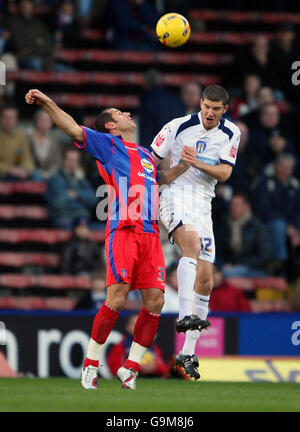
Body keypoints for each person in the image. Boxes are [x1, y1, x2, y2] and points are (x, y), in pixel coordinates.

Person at [25, 87, 187, 390]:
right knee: (117, 296)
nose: (127, 113)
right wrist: (47, 102)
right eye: (119, 113)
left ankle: (130, 368)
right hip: (124, 230)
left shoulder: (145, 154)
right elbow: (71, 127)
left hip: (150, 233)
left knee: (156, 301)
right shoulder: (108, 145)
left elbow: (156, 180)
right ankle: (89, 365)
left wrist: (183, 166)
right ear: (111, 125)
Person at [150, 85, 241, 379]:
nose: (210, 113)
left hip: (203, 202)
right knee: (190, 245)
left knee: (206, 280)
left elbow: (226, 173)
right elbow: (149, 162)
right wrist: (167, 176)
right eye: (206, 106)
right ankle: (186, 315)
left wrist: (195, 162)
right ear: (200, 104)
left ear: (225, 109)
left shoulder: (232, 133)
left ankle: (187, 353)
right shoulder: (177, 127)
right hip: (175, 194)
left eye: (216, 108)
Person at [251, 153, 300, 273]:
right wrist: (288, 227)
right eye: (282, 166)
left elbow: (297, 211)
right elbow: (263, 210)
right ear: (275, 167)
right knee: (279, 226)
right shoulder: (264, 183)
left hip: (291, 226)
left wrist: (296, 229)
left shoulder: (295, 185)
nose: (284, 171)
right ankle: (279, 264)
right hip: (267, 224)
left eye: (288, 168)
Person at [215, 192, 271, 277]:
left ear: (247, 207)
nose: (234, 208)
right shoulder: (225, 225)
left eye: (237, 205)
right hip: (229, 266)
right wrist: (223, 264)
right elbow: (218, 250)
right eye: (232, 205)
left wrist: (241, 264)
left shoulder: (257, 226)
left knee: (227, 274)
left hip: (254, 269)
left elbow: (265, 255)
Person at [45, 147, 97, 229]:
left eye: (75, 160)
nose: (72, 163)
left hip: (82, 221)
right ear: (63, 161)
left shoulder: (80, 179)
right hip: (64, 221)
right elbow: (58, 203)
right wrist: (82, 201)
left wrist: (76, 194)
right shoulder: (56, 179)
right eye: (69, 160)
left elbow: (93, 199)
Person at [107, 313, 168, 378]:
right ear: (127, 327)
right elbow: (115, 367)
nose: (137, 327)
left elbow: (163, 367)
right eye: (134, 324)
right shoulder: (122, 346)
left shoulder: (152, 346)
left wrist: (155, 367)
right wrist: (139, 368)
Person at [0, 105, 35, 180]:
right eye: (6, 117)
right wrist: (10, 169)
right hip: (3, 174)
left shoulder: (21, 136)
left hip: (19, 172)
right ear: (1, 119)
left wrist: (26, 169)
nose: (9, 121)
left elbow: (27, 158)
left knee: (36, 175)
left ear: (16, 120)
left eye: (12, 118)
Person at [28, 109, 62, 180]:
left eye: (48, 120)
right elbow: (26, 159)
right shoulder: (28, 138)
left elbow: (57, 161)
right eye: (42, 120)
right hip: (33, 173)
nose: (45, 123)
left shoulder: (54, 140)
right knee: (36, 175)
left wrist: (49, 174)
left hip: (51, 173)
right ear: (36, 121)